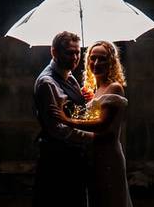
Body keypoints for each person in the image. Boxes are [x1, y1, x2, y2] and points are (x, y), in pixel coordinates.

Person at [58, 40, 132, 207]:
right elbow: (91, 118)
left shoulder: (115, 88)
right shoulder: (95, 90)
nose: (96, 63)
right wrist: (87, 105)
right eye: (93, 58)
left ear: (111, 62)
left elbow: (102, 125)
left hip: (108, 155)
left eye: (102, 58)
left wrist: (67, 120)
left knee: (110, 199)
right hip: (93, 155)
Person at [33, 31, 94, 207]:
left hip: (74, 156)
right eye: (69, 52)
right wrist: (92, 138)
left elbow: (77, 112)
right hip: (57, 158)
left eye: (78, 52)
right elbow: (57, 128)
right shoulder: (48, 82)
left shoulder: (71, 77)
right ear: (54, 52)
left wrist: (88, 101)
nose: (75, 57)